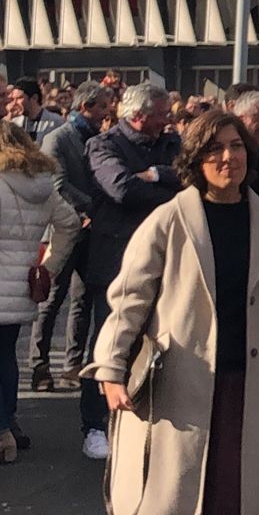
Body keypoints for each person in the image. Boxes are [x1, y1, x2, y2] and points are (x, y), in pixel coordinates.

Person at [92, 111, 259, 515]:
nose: (228, 157)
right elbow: (128, 299)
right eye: (214, 149)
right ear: (195, 160)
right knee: (171, 512)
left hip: (244, 389)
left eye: (236, 146)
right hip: (179, 386)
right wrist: (110, 369)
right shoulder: (169, 218)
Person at [0, 122, 82, 465]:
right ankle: (5, 424)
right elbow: (69, 224)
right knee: (4, 356)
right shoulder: (43, 185)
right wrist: (48, 268)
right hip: (19, 284)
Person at [80, 83, 184, 460]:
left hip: (168, 258)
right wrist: (167, 187)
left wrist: (156, 175)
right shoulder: (104, 145)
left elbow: (190, 182)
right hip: (116, 258)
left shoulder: (171, 145)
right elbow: (121, 189)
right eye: (161, 113)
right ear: (139, 115)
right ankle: (95, 424)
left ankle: (151, 421)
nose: (167, 119)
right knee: (110, 341)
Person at [34, 81, 112, 392]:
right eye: (102, 107)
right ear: (85, 107)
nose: (106, 114)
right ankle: (39, 365)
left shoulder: (102, 140)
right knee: (52, 299)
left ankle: (73, 364)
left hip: (93, 232)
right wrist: (88, 209)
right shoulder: (57, 139)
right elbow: (58, 184)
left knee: (83, 299)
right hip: (64, 229)